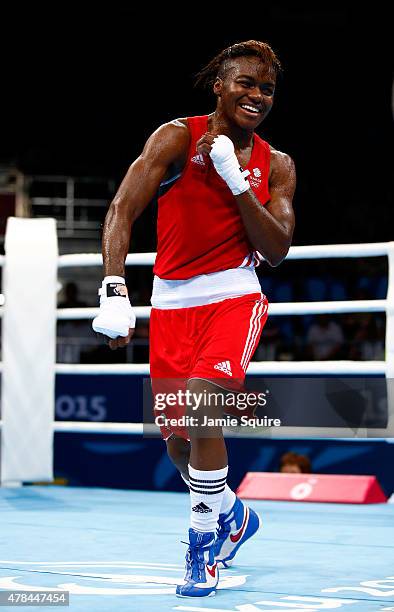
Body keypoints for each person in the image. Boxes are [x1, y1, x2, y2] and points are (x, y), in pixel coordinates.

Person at [92, 40, 296, 598]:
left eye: (267, 88)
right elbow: (122, 209)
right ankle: (233, 514)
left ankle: (202, 547)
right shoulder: (177, 136)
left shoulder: (275, 164)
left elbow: (276, 249)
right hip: (171, 305)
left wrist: (237, 183)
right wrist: (113, 287)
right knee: (178, 444)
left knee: (207, 410)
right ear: (220, 86)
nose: (256, 95)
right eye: (246, 83)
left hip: (234, 297)